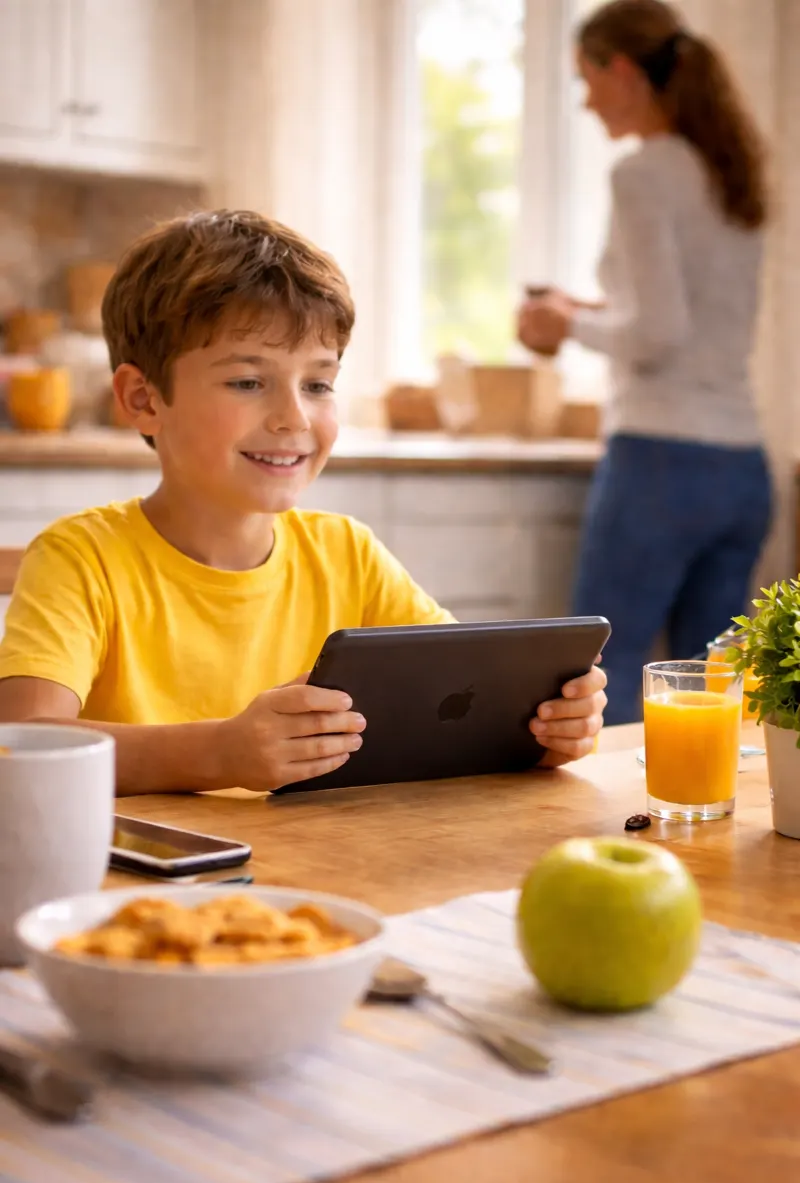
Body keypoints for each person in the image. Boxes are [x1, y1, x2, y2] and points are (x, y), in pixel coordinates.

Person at [0, 210, 606, 794]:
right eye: (247, 382)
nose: (294, 418)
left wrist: (541, 732)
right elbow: (19, 742)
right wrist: (218, 753)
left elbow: (465, 705)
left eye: (318, 384)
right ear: (142, 399)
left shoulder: (348, 553)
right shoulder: (82, 558)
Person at [517, 0, 772, 726]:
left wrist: (565, 325)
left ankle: (605, 832)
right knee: (708, 687)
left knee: (601, 671)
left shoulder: (642, 174)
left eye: (586, 77)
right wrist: (591, 311)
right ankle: (694, 833)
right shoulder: (730, 174)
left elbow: (659, 334)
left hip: (661, 462)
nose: (586, 98)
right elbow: (686, 327)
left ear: (622, 69)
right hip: (740, 467)